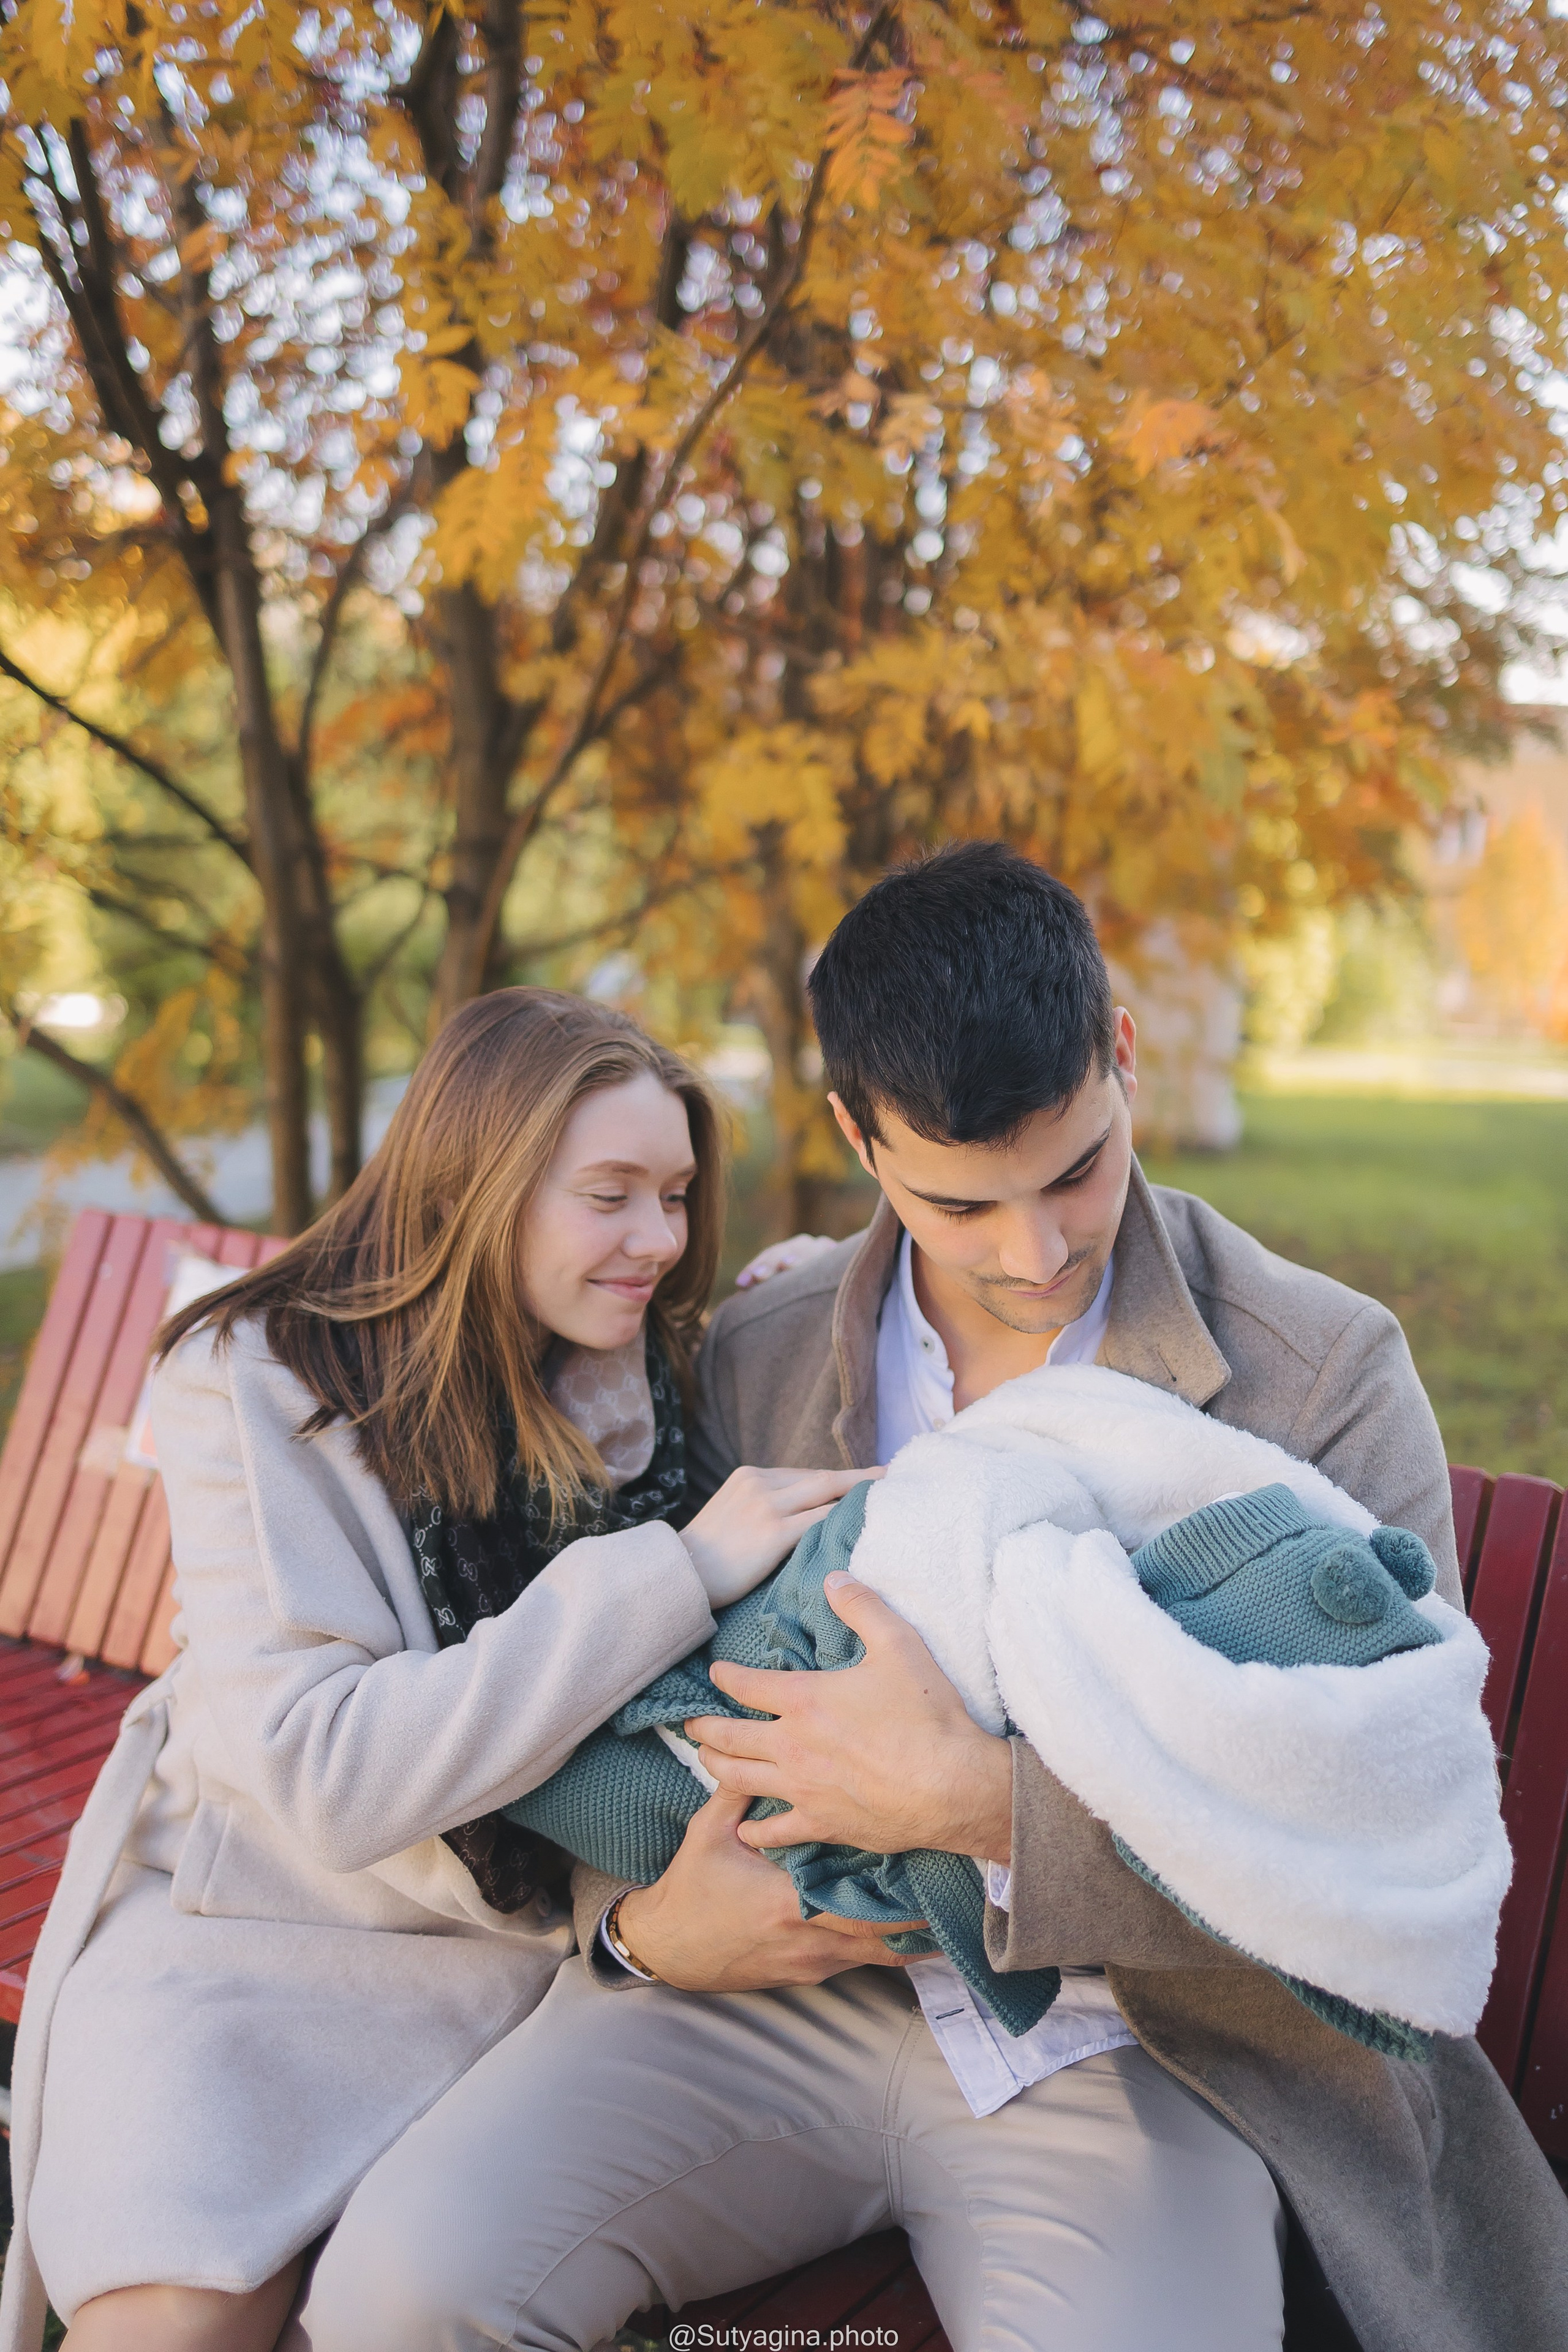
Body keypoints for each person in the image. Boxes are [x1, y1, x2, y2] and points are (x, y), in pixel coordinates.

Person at [296, 846, 1568, 2352]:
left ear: (1121, 1057)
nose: (1031, 1254)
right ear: (856, 1134)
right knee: (402, 2293)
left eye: (1075, 1173)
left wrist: (980, 1807)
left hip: (1134, 2049)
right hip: (756, 1999)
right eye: (960, 1207)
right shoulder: (752, 1347)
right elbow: (635, 1705)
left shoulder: (1318, 1374)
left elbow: (1389, 1820)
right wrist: (645, 1935)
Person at [0, 989, 871, 2352]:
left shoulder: (639, 1367)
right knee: (170, 2318)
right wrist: (670, 1575)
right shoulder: (259, 1375)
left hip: (499, 1960)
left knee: (390, 2301)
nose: (659, 1239)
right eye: (611, 1195)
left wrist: (806, 1292)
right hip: (255, 1930)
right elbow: (329, 1776)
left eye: (680, 1194)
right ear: (481, 1184)